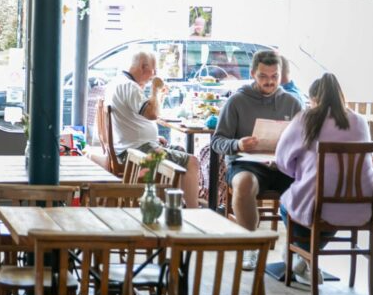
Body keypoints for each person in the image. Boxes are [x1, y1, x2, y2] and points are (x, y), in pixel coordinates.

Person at [274, 74, 373, 286]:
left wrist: (298, 172)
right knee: (329, 206)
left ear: (313, 99)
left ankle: (302, 256)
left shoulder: (306, 118)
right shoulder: (360, 121)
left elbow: (282, 160)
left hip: (318, 207)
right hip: (361, 207)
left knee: (287, 204)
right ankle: (306, 256)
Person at [211, 50, 303, 270]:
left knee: (308, 184)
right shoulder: (237, 101)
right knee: (243, 184)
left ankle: (300, 252)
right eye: (263, 76)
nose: (269, 82)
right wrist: (238, 144)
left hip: (283, 165)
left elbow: (304, 141)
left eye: (274, 76)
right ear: (252, 73)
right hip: (247, 163)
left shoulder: (292, 103)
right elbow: (217, 142)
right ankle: (250, 246)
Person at [104, 50, 200, 208]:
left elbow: (135, 118)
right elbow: (152, 113)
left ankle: (175, 205)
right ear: (143, 67)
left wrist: (158, 96)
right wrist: (154, 89)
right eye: (154, 71)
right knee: (192, 162)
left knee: (180, 150)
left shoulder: (117, 82)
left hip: (130, 147)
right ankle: (192, 213)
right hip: (138, 152)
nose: (153, 75)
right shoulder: (130, 86)